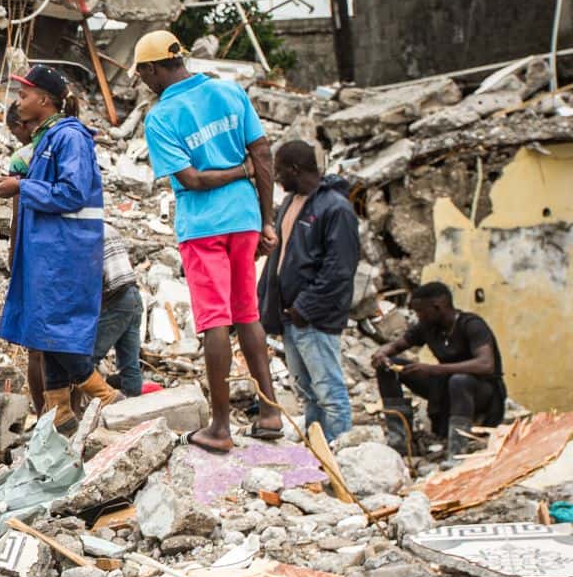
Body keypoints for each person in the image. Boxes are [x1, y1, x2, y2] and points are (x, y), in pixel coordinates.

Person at [134, 30, 286, 453]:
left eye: (142, 74)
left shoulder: (162, 117)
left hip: (203, 226)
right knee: (248, 314)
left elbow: (193, 180)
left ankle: (220, 427)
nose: (143, 82)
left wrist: (237, 174)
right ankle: (270, 412)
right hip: (244, 218)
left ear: (152, 68)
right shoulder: (229, 92)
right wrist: (267, 219)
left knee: (216, 320)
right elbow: (263, 155)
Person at [0, 65, 105, 431]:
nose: (18, 102)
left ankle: (105, 396)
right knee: (44, 328)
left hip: (65, 253)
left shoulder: (71, 138)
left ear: (44, 99)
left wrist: (20, 188)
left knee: (56, 328)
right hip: (48, 252)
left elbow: (72, 192)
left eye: (24, 95)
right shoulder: (48, 139)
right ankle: (60, 415)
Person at [259, 140, 359, 441]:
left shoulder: (335, 208)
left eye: (279, 172)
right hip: (291, 315)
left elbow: (339, 268)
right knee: (308, 393)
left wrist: (305, 308)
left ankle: (341, 458)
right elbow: (281, 257)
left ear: (295, 169)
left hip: (314, 318)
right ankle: (319, 451)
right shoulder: (292, 202)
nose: (276, 179)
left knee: (329, 392)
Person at [370, 282, 505, 459]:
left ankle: (458, 452)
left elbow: (486, 365)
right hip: (445, 388)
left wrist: (434, 370)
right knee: (388, 369)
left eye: (421, 312)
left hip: (481, 391)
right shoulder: (427, 327)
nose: (419, 317)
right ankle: (401, 442)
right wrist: (381, 354)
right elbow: (397, 345)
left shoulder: (471, 324)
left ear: (437, 307)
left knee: (459, 380)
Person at [92, 228, 145, 399]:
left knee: (87, 358)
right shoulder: (109, 229)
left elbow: (94, 276)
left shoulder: (87, 232)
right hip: (134, 296)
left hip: (115, 299)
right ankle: (133, 402)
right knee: (130, 362)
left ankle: (103, 400)